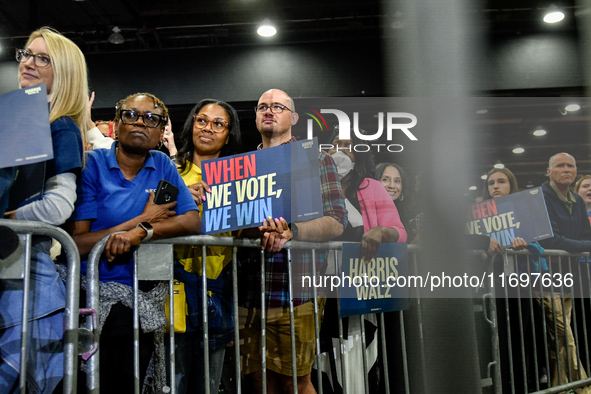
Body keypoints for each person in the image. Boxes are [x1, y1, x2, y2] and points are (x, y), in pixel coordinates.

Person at [64, 92, 200, 393]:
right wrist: (142, 220)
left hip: (144, 298)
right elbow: (77, 243)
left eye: (151, 118)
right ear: (116, 121)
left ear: (161, 129)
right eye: (131, 115)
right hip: (90, 296)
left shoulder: (162, 163)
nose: (140, 122)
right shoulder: (92, 164)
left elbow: (192, 220)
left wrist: (142, 232)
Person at [239, 89, 347, 394]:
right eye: (262, 106)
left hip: (298, 291)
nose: (269, 111)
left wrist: (292, 232)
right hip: (249, 292)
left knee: (295, 382)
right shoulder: (243, 165)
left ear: (294, 118)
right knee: (259, 382)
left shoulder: (316, 159)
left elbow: (337, 220)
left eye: (277, 106)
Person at [0, 26, 88, 394]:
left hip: (27, 280)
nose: (29, 63)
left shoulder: (61, 127)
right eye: (26, 54)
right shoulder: (12, 123)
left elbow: (58, 205)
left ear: (63, 71)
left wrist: (7, 221)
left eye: (43, 58)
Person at [317, 129, 407, 393]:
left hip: (358, 290)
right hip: (320, 287)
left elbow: (400, 232)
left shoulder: (372, 187)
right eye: (336, 146)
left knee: (357, 360)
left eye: (348, 147)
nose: (341, 152)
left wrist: (380, 232)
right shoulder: (316, 185)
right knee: (324, 359)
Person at [167, 99, 241, 393]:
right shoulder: (169, 167)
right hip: (173, 290)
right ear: (192, 124)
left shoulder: (239, 176)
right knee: (174, 379)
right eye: (202, 120)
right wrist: (184, 194)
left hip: (219, 290)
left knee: (209, 382)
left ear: (229, 132)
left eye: (218, 123)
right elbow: (147, 214)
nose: (208, 128)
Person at [483, 167, 547, 393]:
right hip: (491, 286)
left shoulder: (523, 211)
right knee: (497, 340)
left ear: (511, 184)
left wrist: (526, 246)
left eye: (501, 181)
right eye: (491, 183)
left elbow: (540, 246)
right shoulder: (479, 215)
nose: (496, 186)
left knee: (520, 338)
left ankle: (522, 385)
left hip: (520, 284)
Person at [538, 153, 591, 394]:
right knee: (564, 334)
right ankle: (584, 387)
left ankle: (560, 388)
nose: (566, 169)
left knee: (560, 339)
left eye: (570, 165)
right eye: (560, 166)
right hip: (545, 277)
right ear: (549, 171)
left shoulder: (578, 201)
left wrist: (576, 245)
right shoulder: (541, 196)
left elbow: (585, 237)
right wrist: (580, 245)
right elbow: (550, 239)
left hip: (570, 277)